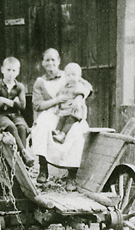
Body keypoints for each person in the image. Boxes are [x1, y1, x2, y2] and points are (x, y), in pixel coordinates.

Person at [31, 49, 92, 188]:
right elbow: (38, 105)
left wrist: (79, 97)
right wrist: (57, 100)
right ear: (42, 63)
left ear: (58, 61)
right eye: (47, 60)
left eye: (53, 59)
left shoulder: (68, 74)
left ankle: (71, 175)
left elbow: (87, 87)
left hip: (70, 111)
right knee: (41, 126)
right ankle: (43, 169)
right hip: (52, 112)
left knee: (76, 132)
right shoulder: (40, 82)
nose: (50, 63)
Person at [0, 56, 34, 167]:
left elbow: (22, 106)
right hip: (1, 116)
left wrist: (5, 101)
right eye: (8, 70)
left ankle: (23, 164)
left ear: (18, 72)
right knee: (12, 127)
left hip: (16, 115)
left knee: (22, 127)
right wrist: (14, 103)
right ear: (2, 70)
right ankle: (25, 154)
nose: (11, 73)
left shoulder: (19, 87)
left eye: (14, 70)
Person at [52, 62, 88, 143]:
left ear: (79, 76)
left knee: (69, 120)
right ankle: (57, 131)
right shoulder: (64, 87)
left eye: (73, 75)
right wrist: (58, 107)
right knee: (61, 119)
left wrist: (77, 102)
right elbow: (60, 98)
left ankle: (63, 135)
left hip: (75, 112)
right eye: (68, 75)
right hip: (66, 111)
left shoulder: (78, 86)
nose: (70, 77)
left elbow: (80, 95)